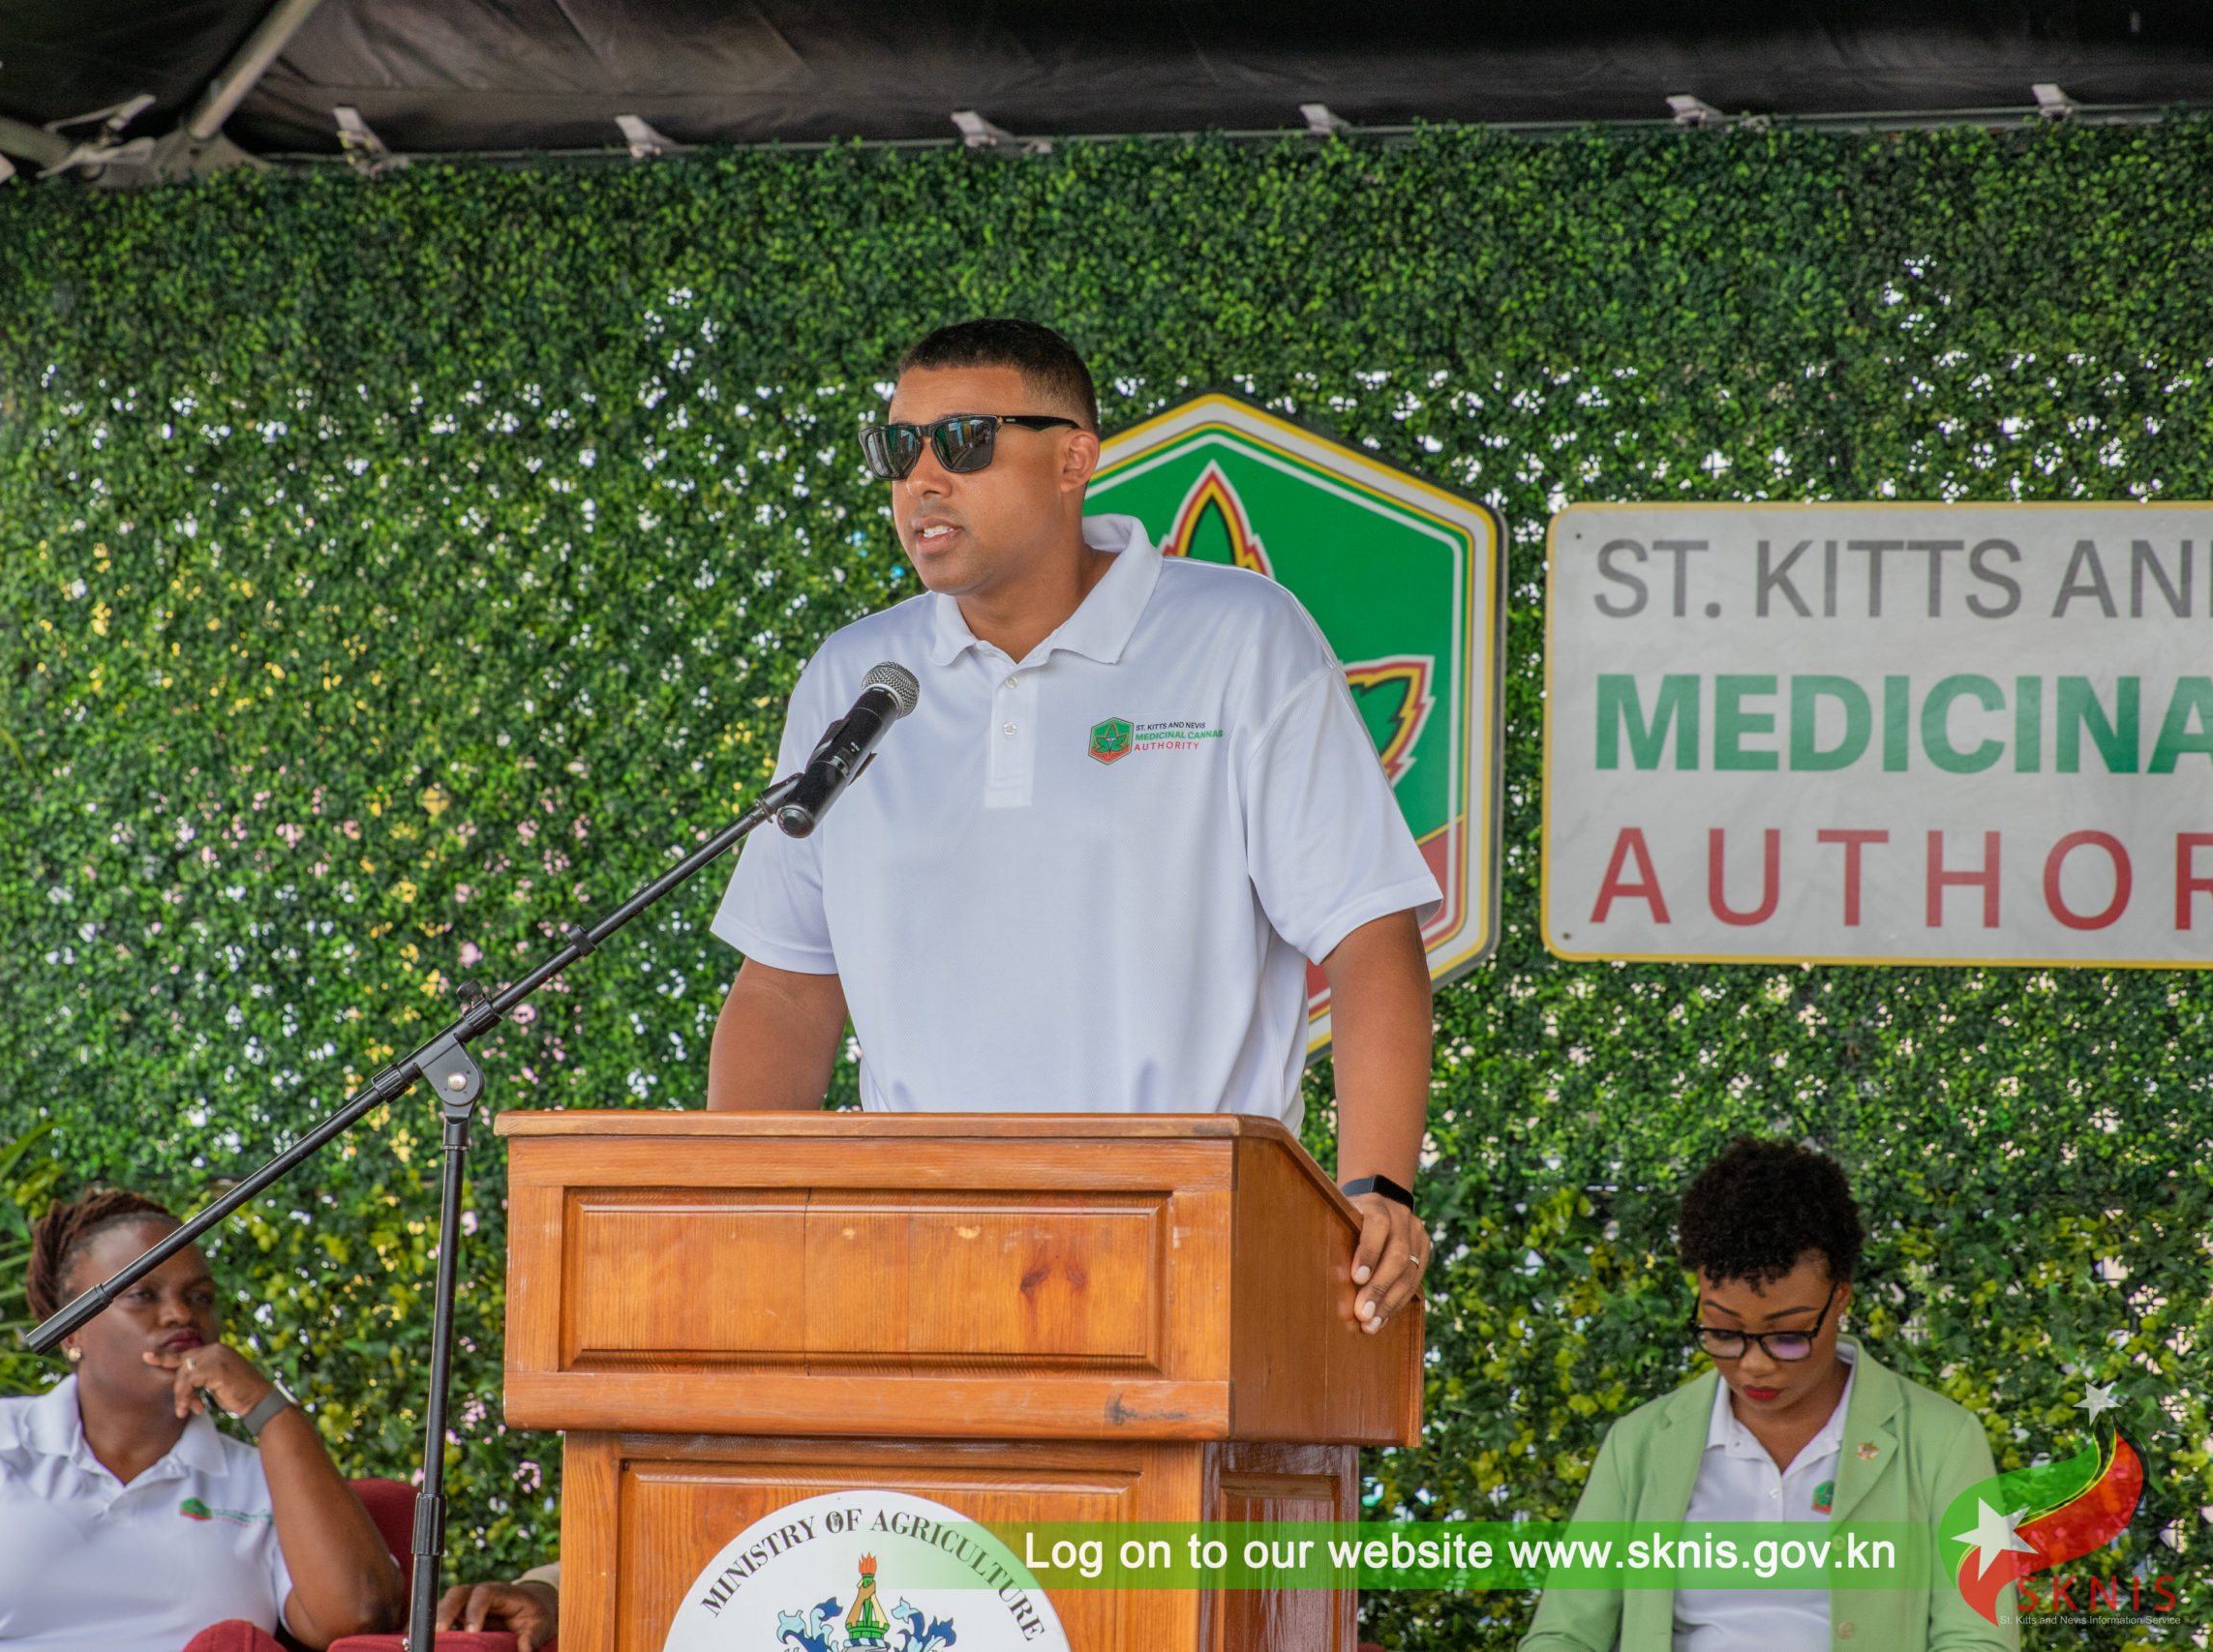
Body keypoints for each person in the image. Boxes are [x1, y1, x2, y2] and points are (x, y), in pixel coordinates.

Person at [707, 316, 1443, 1329]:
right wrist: (734, 1217)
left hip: (1191, 1244)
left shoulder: (1240, 638)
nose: (921, 480)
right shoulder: (858, 679)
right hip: (914, 1254)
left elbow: (1367, 931)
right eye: (897, 449)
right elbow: (787, 987)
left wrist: (1376, 1188)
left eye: (963, 442)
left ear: (1074, 459)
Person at [0, 1190, 405, 1652]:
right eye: (143, 1295)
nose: (180, 1314)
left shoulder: (260, 1481)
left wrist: (269, 1411)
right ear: (71, 1330)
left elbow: (355, 1617)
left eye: (200, 1297)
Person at [1519, 1137, 2016, 1652]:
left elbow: (1980, 1638)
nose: (1754, 1364)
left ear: (1840, 1296)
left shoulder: (1943, 1441)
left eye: (1788, 1335)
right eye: (1723, 1331)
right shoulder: (1639, 1444)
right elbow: (1564, 1634)